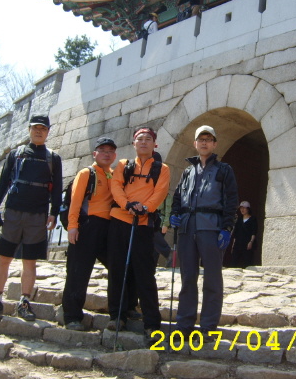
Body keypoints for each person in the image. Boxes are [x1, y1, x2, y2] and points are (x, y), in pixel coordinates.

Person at [0, 114, 62, 321]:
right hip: (13, 212)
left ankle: (24, 302)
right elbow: (3, 181)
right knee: (4, 258)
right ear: (29, 130)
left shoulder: (53, 158)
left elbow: (57, 188)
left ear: (48, 132)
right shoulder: (16, 154)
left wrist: (54, 212)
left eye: (43, 129)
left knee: (29, 261)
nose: (39, 132)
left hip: (38, 214)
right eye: (36, 128)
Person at [169, 125, 238, 337]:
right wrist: (174, 214)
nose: (204, 142)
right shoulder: (187, 172)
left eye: (208, 139)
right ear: (195, 143)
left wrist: (227, 228)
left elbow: (231, 200)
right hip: (187, 228)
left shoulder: (224, 170)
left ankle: (208, 326)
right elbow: (177, 197)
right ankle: (184, 325)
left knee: (212, 279)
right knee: (187, 277)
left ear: (214, 144)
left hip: (212, 228)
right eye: (201, 139)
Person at [107, 126, 170, 345]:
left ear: (155, 144)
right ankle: (117, 315)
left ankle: (152, 323)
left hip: (143, 224)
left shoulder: (162, 169)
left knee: (145, 273)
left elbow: (160, 192)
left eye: (148, 139)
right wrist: (127, 205)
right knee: (117, 270)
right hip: (120, 220)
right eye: (140, 139)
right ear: (134, 143)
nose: (144, 142)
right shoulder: (123, 165)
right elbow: (116, 187)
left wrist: (146, 208)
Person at [62, 136, 118, 331]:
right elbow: (76, 201)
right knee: (78, 272)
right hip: (87, 226)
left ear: (115, 155)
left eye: (110, 151)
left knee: (117, 267)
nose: (106, 154)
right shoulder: (87, 173)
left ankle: (121, 309)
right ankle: (72, 316)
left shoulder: (113, 175)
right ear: (95, 154)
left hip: (107, 228)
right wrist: (72, 226)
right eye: (102, 150)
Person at [231, 201, 258, 268]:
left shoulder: (253, 219)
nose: (242, 210)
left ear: (248, 209)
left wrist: (251, 242)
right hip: (238, 243)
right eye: (241, 208)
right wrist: (233, 244)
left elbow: (254, 232)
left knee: (247, 262)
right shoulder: (239, 220)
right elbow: (235, 233)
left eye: (244, 208)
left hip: (247, 243)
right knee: (234, 262)